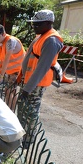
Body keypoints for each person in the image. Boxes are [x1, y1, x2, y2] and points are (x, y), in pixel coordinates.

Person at [18, 10, 63, 142]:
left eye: (37, 24)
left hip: (36, 84)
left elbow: (42, 67)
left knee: (31, 112)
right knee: (23, 110)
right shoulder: (41, 36)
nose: (34, 27)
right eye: (33, 24)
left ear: (48, 23)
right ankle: (21, 134)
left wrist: (27, 89)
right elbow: (28, 57)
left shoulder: (52, 40)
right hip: (28, 81)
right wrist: (20, 76)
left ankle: (28, 140)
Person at [0, 24, 25, 110]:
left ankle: (10, 112)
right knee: (8, 91)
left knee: (10, 90)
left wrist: (1, 76)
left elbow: (6, 59)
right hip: (10, 71)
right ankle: (9, 110)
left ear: (3, 34)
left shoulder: (10, 41)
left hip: (18, 70)